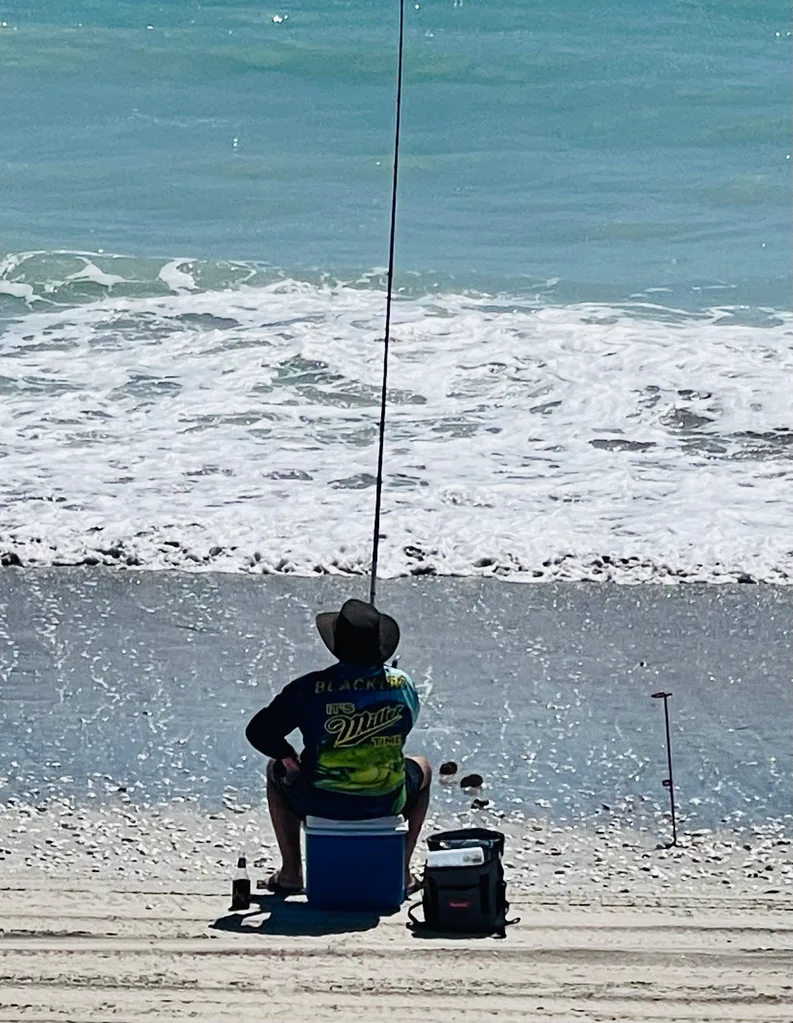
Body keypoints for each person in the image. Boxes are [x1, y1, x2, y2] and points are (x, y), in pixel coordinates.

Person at [245, 598, 431, 894]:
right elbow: (406, 726)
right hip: (386, 800)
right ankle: (403, 871)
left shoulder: (308, 688)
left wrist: (286, 754)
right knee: (423, 767)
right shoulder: (403, 684)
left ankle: (291, 873)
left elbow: (258, 732)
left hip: (320, 799)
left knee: (274, 768)